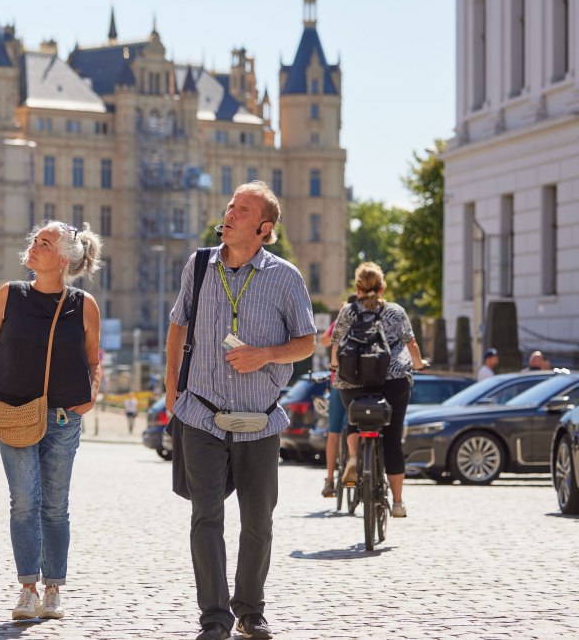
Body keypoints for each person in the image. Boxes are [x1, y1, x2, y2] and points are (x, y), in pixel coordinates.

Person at [164, 181, 316, 640]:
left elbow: (306, 343)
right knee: (205, 516)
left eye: (242, 210)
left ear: (264, 227)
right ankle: (214, 618)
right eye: (231, 205)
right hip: (201, 415)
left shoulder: (286, 277)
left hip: (260, 418)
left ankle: (250, 609)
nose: (230, 213)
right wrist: (173, 393)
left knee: (258, 521)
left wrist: (265, 355)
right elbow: (177, 328)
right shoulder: (199, 264)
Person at [0, 220, 103, 621]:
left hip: (64, 421)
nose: (33, 246)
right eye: (34, 239)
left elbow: (94, 361)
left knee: (55, 508)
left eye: (43, 243)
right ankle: (27, 589)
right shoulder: (9, 295)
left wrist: (89, 400)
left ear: (63, 258)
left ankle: (53, 590)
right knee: (24, 504)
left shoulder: (83, 304)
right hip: (14, 415)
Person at [330, 262, 427, 520]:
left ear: (357, 287)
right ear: (382, 287)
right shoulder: (395, 311)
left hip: (355, 379)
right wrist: (419, 364)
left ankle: (353, 457)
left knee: (355, 421)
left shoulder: (348, 311)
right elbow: (411, 343)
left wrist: (335, 365)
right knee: (393, 439)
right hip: (393, 379)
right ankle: (397, 502)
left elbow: (336, 344)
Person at [320, 294, 356, 498]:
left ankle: (329, 480)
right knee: (359, 424)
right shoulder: (369, 317)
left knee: (333, 431)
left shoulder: (342, 318)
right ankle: (356, 461)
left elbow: (325, 340)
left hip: (338, 380)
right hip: (364, 381)